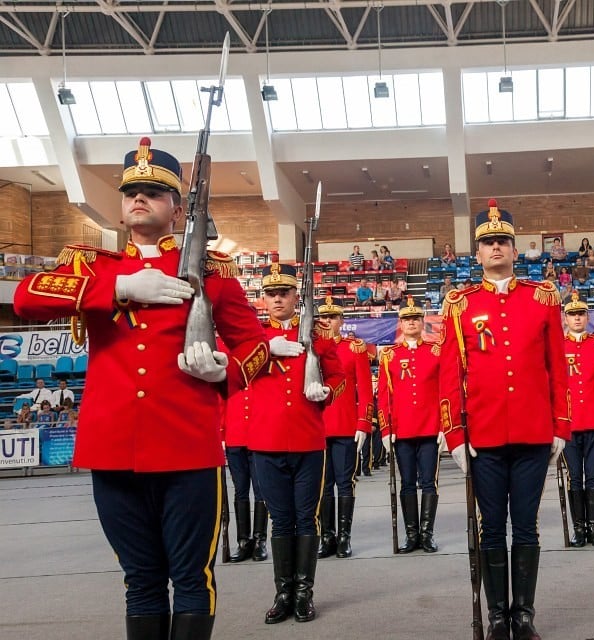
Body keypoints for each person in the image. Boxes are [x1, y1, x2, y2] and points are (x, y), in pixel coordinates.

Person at [13, 137, 269, 640]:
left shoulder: (213, 274)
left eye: (154, 191)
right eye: (132, 190)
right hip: (113, 449)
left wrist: (224, 372)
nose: (139, 198)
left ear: (177, 206)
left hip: (187, 446)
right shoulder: (93, 267)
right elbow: (25, 298)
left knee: (192, 579)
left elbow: (255, 348)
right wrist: (120, 289)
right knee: (140, 580)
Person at [439, 199, 569, 640]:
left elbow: (557, 365)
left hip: (533, 433)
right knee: (491, 526)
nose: (495, 247)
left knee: (527, 525)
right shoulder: (459, 305)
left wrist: (561, 426)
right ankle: (497, 615)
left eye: (503, 242)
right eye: (488, 242)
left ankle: (524, 614)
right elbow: (449, 375)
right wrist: (454, 435)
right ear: (477, 254)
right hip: (485, 435)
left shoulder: (542, 298)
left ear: (516, 250)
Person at [248, 265, 345, 625]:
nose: (277, 299)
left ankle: (304, 592)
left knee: (307, 518)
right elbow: (237, 368)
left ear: (295, 297)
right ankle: (283, 591)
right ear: (263, 299)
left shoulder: (317, 336)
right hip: (266, 439)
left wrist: (326, 392)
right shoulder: (254, 337)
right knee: (281, 520)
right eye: (271, 294)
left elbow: (339, 376)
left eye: (284, 293)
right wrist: (264, 348)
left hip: (307, 439)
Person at [378, 297, 443, 553]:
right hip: (402, 430)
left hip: (429, 428)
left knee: (429, 482)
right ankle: (411, 534)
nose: (411, 323)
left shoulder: (436, 351)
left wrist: (444, 427)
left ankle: (427, 534)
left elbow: (444, 391)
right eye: (407, 319)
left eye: (415, 318)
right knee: (406, 483)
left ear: (422, 322)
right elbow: (384, 395)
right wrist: (385, 429)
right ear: (400, 324)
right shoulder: (389, 355)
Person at [311, 295, 374, 559]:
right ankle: (328, 536)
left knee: (345, 482)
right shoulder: (312, 348)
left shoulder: (354, 348)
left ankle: (345, 536)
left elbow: (365, 389)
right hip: (317, 425)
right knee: (323, 485)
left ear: (341, 321)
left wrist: (363, 422)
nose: (327, 321)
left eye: (332, 317)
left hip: (346, 424)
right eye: (323, 317)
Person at [558, 292, 594, 548]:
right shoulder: (559, 346)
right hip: (569, 423)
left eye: (581, 314)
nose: (577, 318)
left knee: (593, 477)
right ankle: (578, 529)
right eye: (572, 315)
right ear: (566, 319)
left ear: (587, 316)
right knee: (574, 478)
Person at [221, 336, 268, 564]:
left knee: (260, 491)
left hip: (258, 435)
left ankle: (260, 539)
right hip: (235, 435)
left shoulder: (261, 358)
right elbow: (221, 399)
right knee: (240, 490)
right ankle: (243, 540)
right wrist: (221, 433)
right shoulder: (228, 359)